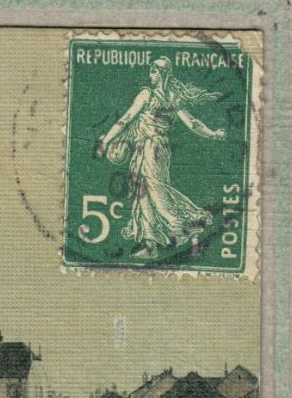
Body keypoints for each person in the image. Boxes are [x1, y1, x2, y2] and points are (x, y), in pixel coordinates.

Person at [96, 56, 227, 259]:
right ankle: (150, 246)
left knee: (155, 191)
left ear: (163, 74)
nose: (151, 75)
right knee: (143, 194)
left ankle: (187, 225)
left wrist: (106, 140)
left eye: (154, 71)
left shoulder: (147, 95)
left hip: (152, 148)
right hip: (153, 148)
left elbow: (126, 118)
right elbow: (192, 123)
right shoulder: (173, 97)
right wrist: (213, 134)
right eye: (151, 71)